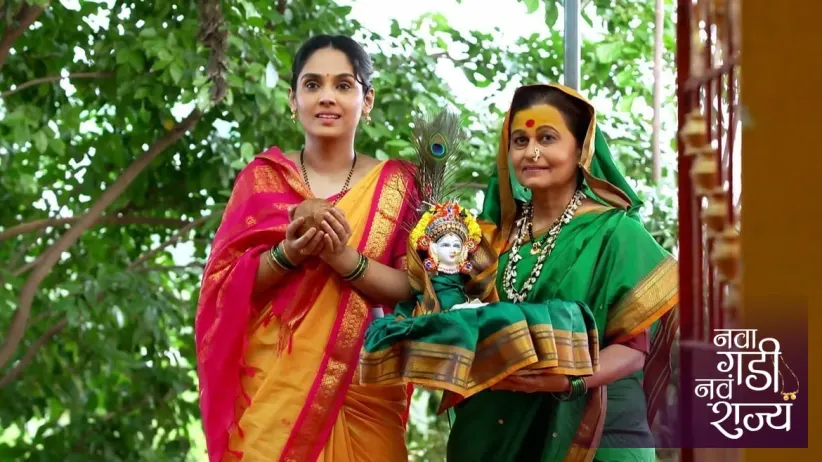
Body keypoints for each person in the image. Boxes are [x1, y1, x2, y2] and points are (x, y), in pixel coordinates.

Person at [195, 35, 417, 462]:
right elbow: (224, 289)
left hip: (363, 392)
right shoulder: (261, 180)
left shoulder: (398, 184)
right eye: (312, 85)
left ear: (366, 100)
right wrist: (288, 255)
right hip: (273, 394)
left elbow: (413, 288)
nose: (326, 97)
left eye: (343, 85)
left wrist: (342, 259)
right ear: (293, 99)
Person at [444, 83, 679, 462]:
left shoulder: (614, 233)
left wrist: (567, 382)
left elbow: (634, 351)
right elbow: (448, 311)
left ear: (580, 147)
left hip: (596, 433)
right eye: (519, 140)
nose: (531, 152)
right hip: (501, 431)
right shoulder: (492, 238)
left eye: (547, 138)